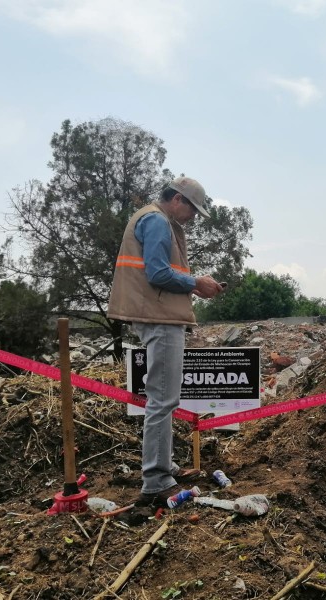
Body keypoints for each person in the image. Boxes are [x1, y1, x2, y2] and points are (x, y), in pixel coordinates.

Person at [108, 176, 225, 507]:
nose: (192, 217)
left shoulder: (153, 219)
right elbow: (158, 274)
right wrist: (196, 283)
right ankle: (157, 480)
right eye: (192, 210)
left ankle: (165, 468)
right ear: (177, 199)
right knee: (163, 399)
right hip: (160, 319)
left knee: (165, 397)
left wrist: (195, 283)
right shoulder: (158, 222)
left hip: (158, 316)